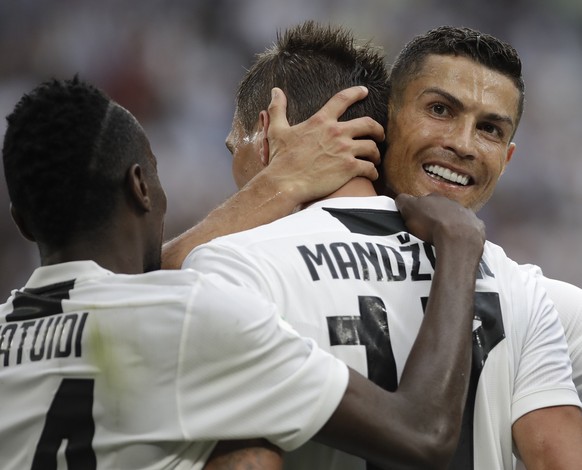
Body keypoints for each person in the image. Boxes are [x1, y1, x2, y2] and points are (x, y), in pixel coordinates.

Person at [0, 76, 487, 470]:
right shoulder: (199, 313)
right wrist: (460, 248)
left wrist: (277, 183)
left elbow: (120, 296)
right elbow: (423, 434)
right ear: (141, 187)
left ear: (21, 222)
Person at [180, 22, 582, 469]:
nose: (462, 144)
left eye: (489, 129)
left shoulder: (240, 267)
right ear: (388, 121)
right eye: (440, 110)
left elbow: (130, 294)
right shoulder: (516, 289)